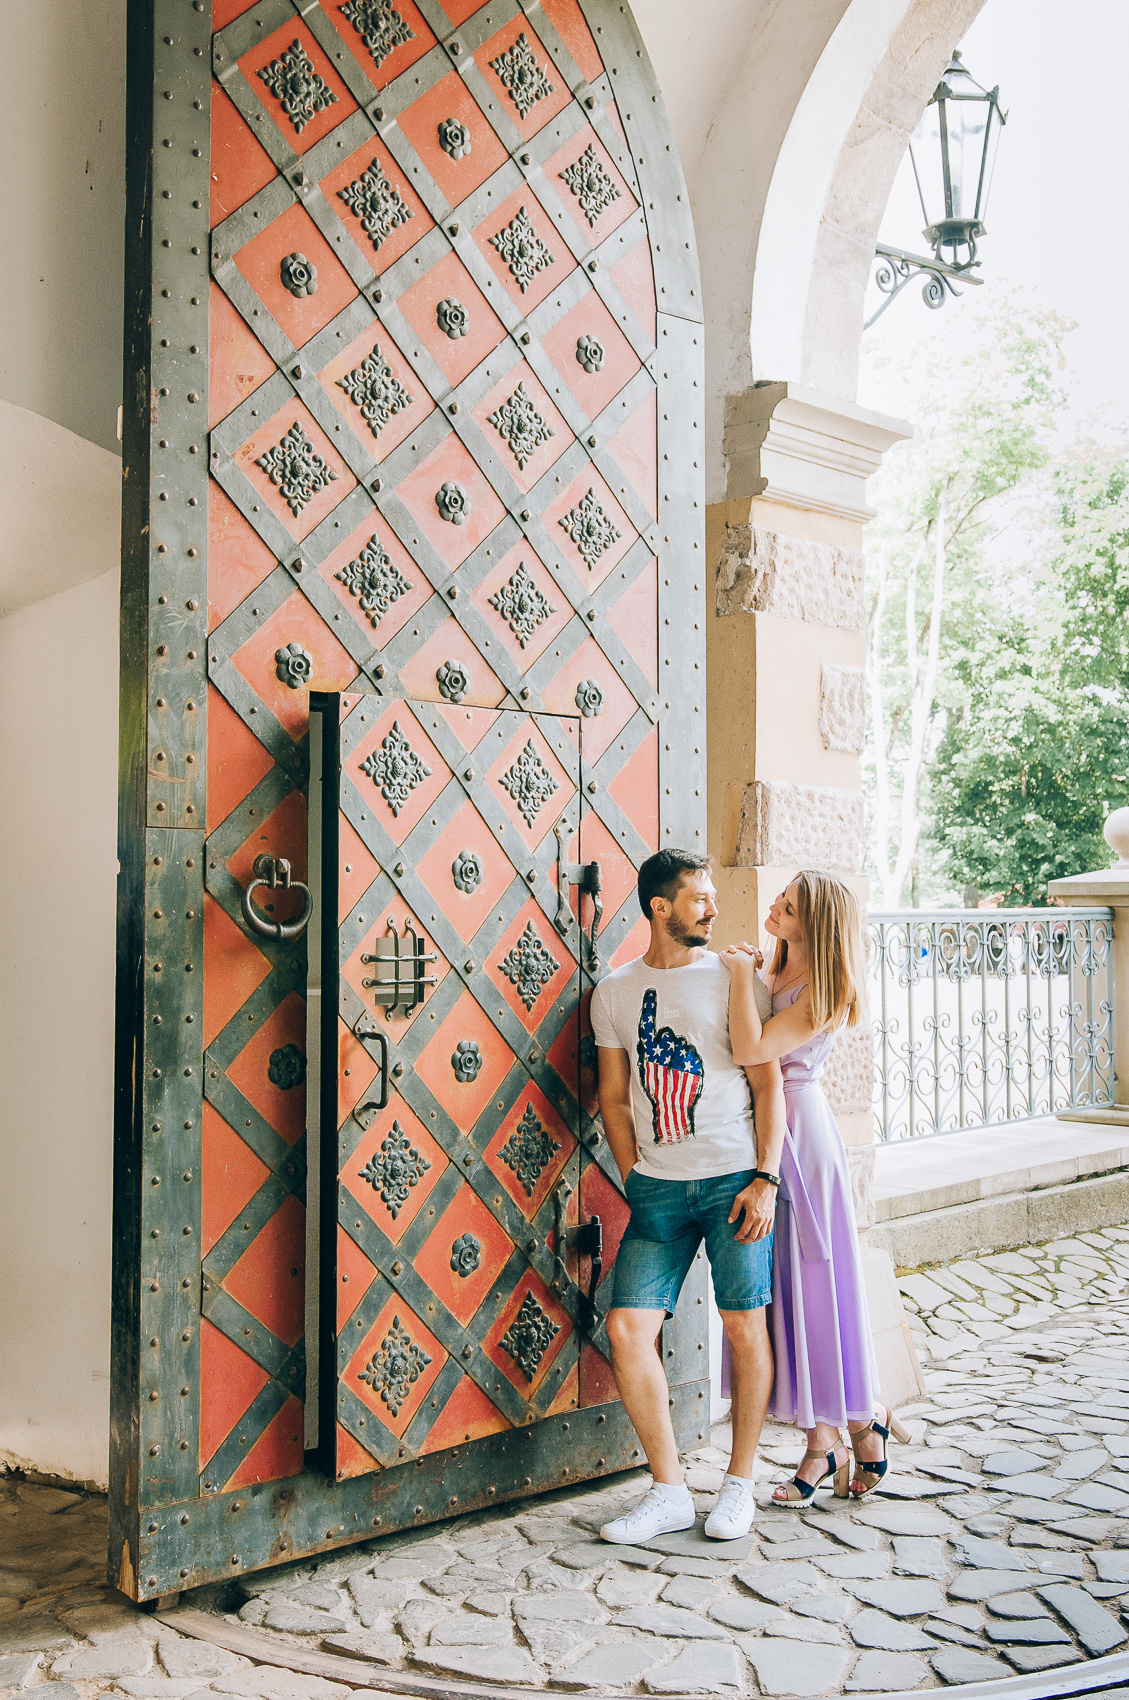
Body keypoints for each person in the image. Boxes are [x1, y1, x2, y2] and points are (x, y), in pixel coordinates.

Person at [591, 849, 787, 1543]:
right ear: (660, 907)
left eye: (710, 897)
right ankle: (669, 1490)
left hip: (735, 1182)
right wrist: (632, 1173)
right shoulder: (615, 993)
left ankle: (740, 1485)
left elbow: (767, 1084)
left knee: (743, 1326)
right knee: (626, 1329)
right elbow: (614, 1097)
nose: (712, 908)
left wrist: (765, 1178)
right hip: (659, 1193)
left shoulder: (735, 977)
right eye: (699, 898)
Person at [722, 870, 909, 1503]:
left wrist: (739, 977)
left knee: (817, 1289)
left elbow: (753, 1047)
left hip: (804, 1139)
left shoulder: (824, 990)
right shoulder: (772, 968)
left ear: (816, 924)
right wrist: (750, 973)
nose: (775, 904)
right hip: (764, 1133)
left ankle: (840, 1432)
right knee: (785, 1293)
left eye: (790, 904)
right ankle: (840, 1430)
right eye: (781, 895)